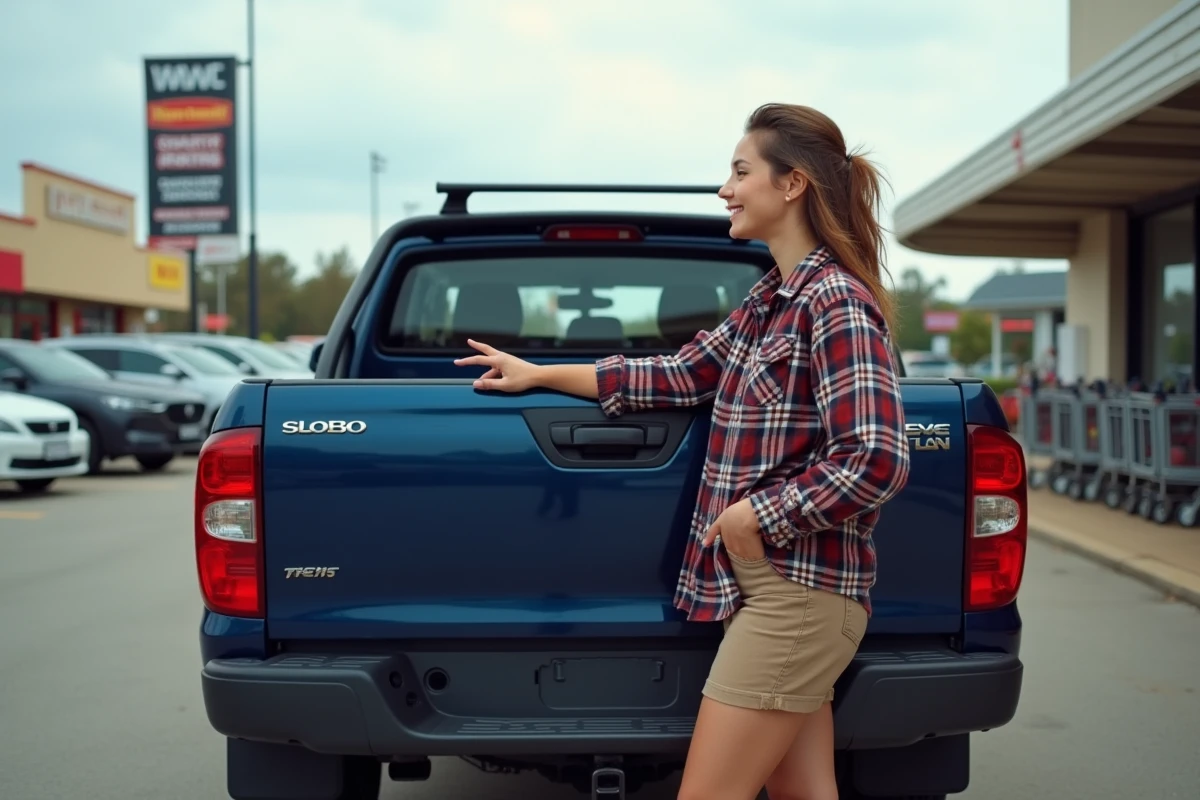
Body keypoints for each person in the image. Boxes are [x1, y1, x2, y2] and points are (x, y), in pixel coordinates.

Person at [454, 102, 910, 800]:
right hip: (777, 592)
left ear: (791, 184)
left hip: (798, 596)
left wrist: (756, 518)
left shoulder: (834, 302)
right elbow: (678, 374)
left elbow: (875, 458)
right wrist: (539, 374)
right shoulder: (768, 303)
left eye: (740, 172)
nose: (725, 189)